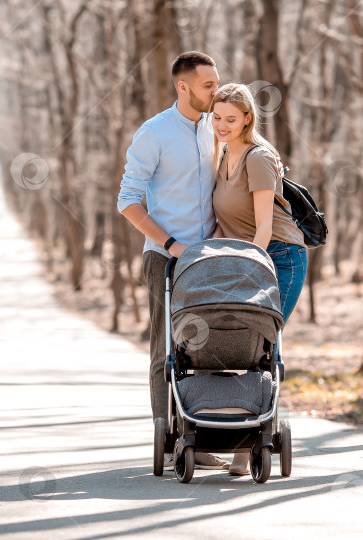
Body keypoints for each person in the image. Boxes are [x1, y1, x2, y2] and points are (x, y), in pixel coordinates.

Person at [117, 51, 230, 472]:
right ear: (183, 87)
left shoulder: (216, 128)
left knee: (208, 347)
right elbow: (127, 201)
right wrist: (170, 243)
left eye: (216, 83)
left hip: (211, 258)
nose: (216, 91)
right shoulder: (154, 133)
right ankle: (167, 439)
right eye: (208, 85)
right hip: (165, 258)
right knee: (166, 351)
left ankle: (202, 437)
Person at [210, 83, 308, 474]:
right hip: (247, 258)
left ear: (248, 118)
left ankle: (249, 444)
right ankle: (235, 431)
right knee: (237, 346)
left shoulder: (258, 158)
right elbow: (225, 222)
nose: (221, 125)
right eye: (216, 117)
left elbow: (265, 226)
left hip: (279, 258)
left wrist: (250, 265)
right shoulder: (223, 156)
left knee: (261, 349)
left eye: (230, 119)